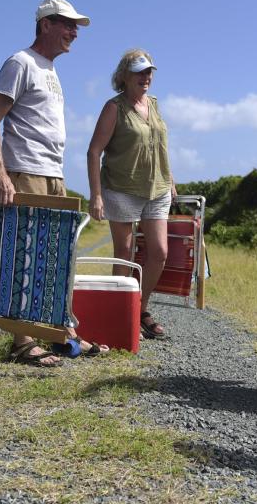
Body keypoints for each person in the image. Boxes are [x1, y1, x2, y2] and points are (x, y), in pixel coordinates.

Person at [0, 0, 109, 366]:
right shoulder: (20, 63)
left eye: (75, 26)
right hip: (25, 171)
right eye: (67, 24)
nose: (73, 32)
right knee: (24, 256)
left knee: (54, 259)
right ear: (45, 24)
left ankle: (56, 334)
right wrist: (0, 174)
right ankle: (22, 343)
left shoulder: (50, 71)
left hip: (53, 173)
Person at [86, 49, 177, 340]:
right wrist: (96, 195)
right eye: (139, 71)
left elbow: (159, 143)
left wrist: (171, 178)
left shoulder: (154, 104)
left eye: (149, 71)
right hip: (122, 188)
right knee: (124, 254)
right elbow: (94, 151)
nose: (146, 77)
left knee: (159, 252)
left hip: (157, 188)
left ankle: (139, 308)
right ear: (124, 76)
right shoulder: (114, 107)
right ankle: (117, 314)